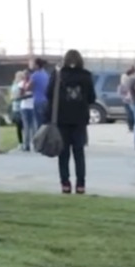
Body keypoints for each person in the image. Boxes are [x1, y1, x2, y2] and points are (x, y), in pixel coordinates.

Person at [45, 49, 96, 194]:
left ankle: (65, 183)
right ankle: (81, 184)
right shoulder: (86, 76)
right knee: (79, 153)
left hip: (61, 119)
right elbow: (92, 98)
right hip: (80, 119)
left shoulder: (58, 74)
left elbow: (48, 93)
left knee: (63, 153)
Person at [28, 58, 50, 137]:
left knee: (38, 123)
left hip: (38, 100)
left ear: (37, 65)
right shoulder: (46, 75)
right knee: (45, 122)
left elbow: (28, 87)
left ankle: (40, 141)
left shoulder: (34, 75)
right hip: (46, 101)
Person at [19, 70, 36, 152]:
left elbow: (34, 93)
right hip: (24, 107)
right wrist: (29, 95)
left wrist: (27, 95)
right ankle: (26, 145)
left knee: (34, 127)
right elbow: (21, 96)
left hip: (32, 106)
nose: (26, 76)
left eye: (28, 74)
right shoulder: (22, 84)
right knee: (26, 127)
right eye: (25, 75)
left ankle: (35, 144)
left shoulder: (33, 84)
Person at [9, 70, 28, 150]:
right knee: (19, 126)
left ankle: (25, 141)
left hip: (22, 107)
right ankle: (20, 142)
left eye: (21, 77)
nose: (19, 79)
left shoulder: (23, 85)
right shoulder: (14, 86)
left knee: (24, 126)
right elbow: (12, 96)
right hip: (16, 108)